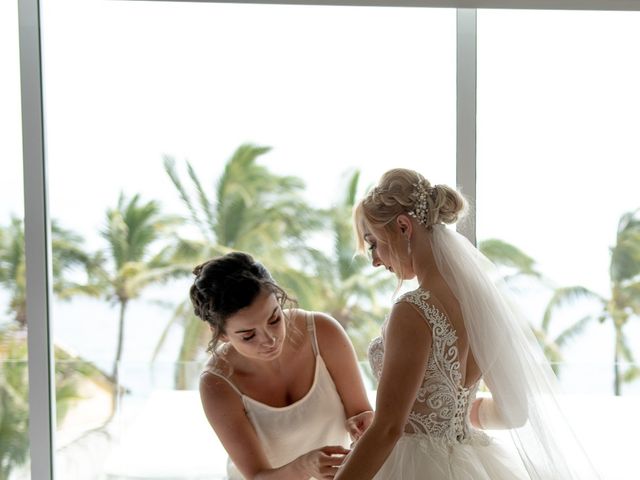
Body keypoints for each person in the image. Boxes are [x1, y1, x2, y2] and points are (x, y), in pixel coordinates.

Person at [334, 168, 601, 479]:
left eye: (372, 243)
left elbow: (389, 430)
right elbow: (513, 414)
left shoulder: (413, 310)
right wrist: (449, 414)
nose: (375, 260)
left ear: (404, 226)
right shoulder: (483, 306)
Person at [192, 252, 373, 480]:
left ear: (279, 300)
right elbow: (257, 476)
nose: (269, 340)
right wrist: (304, 468)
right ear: (222, 335)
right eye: (248, 336)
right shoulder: (216, 383)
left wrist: (363, 422)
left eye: (275, 319)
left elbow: (361, 413)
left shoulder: (323, 332)